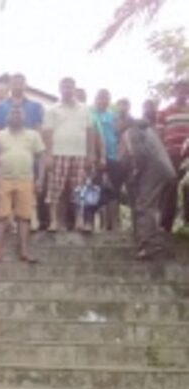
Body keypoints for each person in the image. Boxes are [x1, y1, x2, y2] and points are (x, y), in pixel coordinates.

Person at [43, 77, 96, 232]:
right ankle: (54, 221)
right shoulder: (52, 109)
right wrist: (48, 155)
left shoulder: (85, 109)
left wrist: (91, 153)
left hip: (80, 154)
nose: (67, 89)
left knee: (80, 189)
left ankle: (79, 220)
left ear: (75, 89)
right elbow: (47, 132)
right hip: (58, 153)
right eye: (64, 86)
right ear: (59, 89)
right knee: (55, 188)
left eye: (70, 86)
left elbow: (90, 131)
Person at [0, 106, 45, 262]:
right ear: (7, 117)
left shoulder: (33, 135)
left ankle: (24, 251)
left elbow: (41, 158)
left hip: (26, 179)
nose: (16, 116)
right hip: (4, 178)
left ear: (24, 117)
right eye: (13, 113)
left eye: (19, 113)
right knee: (1, 216)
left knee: (24, 216)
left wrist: (40, 179)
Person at [124, 120, 178, 259]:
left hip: (154, 171)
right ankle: (156, 241)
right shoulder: (149, 131)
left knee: (144, 205)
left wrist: (136, 173)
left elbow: (139, 155)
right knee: (154, 206)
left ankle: (149, 245)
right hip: (166, 171)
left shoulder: (131, 132)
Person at [91, 89, 126, 231]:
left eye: (106, 98)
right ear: (95, 98)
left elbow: (122, 136)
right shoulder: (89, 114)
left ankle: (113, 224)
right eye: (100, 97)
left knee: (113, 191)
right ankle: (94, 223)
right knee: (94, 190)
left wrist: (119, 154)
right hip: (94, 157)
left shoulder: (113, 116)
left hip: (113, 158)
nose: (103, 100)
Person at [157, 80, 189, 231]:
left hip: (188, 157)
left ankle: (187, 223)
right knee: (170, 188)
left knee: (188, 188)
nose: (183, 93)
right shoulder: (164, 112)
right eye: (180, 89)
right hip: (170, 155)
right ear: (174, 92)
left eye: (185, 90)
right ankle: (165, 225)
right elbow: (159, 135)